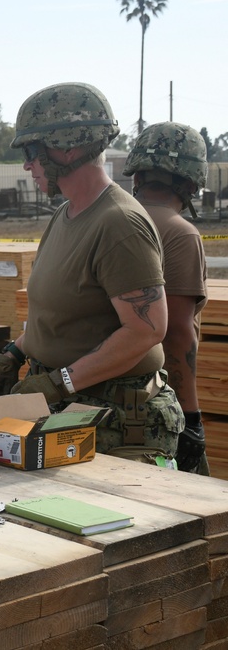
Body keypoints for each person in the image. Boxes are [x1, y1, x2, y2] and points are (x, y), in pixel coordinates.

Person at [0, 82, 184, 465]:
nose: (27, 165)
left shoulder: (119, 223)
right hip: (70, 408)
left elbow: (147, 329)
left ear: (68, 148)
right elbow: (65, 313)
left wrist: (60, 382)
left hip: (116, 422)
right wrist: (17, 351)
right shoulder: (66, 214)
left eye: (32, 152)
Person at [123, 121, 209, 474]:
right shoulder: (180, 233)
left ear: (137, 174)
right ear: (190, 183)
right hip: (150, 408)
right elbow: (176, 333)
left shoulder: (108, 219)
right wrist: (191, 419)